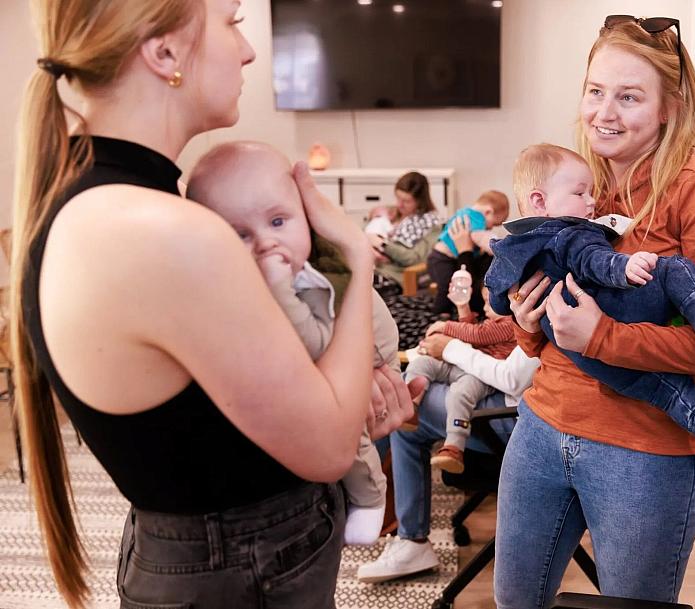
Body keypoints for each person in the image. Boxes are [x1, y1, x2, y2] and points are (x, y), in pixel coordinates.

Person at [10, 2, 413, 608]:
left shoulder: (102, 199)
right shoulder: (166, 230)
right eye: (232, 22)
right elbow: (330, 446)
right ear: (164, 52)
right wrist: (355, 255)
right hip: (242, 570)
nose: (249, 50)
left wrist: (355, 376)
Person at [492, 16, 695, 608]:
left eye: (629, 96)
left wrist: (605, 338)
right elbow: (546, 319)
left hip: (646, 452)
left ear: (671, 106)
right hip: (542, 426)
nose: (604, 113)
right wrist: (527, 320)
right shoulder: (580, 175)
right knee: (515, 601)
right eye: (595, 91)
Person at [187, 140, 415, 545]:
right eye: (240, 233)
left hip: (369, 352)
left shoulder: (308, 283)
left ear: (307, 218)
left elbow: (314, 347)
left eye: (278, 222)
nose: (266, 244)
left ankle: (371, 499)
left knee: (348, 427)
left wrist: (279, 290)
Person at [485, 143, 695, 450]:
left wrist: (513, 304)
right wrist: (623, 267)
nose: (592, 201)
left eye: (629, 96)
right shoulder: (569, 230)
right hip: (552, 411)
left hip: (605, 385)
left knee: (665, 389)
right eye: (581, 194)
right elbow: (591, 259)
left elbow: (496, 293)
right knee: (670, 271)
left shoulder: (511, 245)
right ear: (539, 200)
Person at [357, 324, 540, 583]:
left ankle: (402, 532)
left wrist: (450, 348)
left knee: (405, 409)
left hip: (517, 416)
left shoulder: (551, 298)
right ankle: (392, 523)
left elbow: (512, 378)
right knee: (409, 399)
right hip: (519, 408)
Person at [404, 286, 517, 473]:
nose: (485, 308)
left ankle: (454, 447)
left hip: (483, 376)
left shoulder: (509, 325)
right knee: (422, 364)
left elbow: (478, 334)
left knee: (460, 394)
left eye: (490, 303)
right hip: (465, 365)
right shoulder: (494, 323)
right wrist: (462, 307)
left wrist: (446, 326)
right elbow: (474, 333)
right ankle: (411, 406)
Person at [427, 190, 510, 315]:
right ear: (488, 212)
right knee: (446, 286)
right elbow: (478, 237)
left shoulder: (465, 212)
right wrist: (495, 246)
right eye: (492, 225)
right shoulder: (476, 218)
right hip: (442, 259)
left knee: (451, 284)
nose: (489, 229)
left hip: (442, 257)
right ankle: (440, 312)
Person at [370, 171, 443, 289]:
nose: (399, 205)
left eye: (406, 201)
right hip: (370, 267)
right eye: (398, 198)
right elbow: (368, 231)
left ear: (420, 201)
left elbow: (414, 259)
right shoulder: (391, 213)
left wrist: (383, 244)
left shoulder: (431, 224)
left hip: (392, 276)